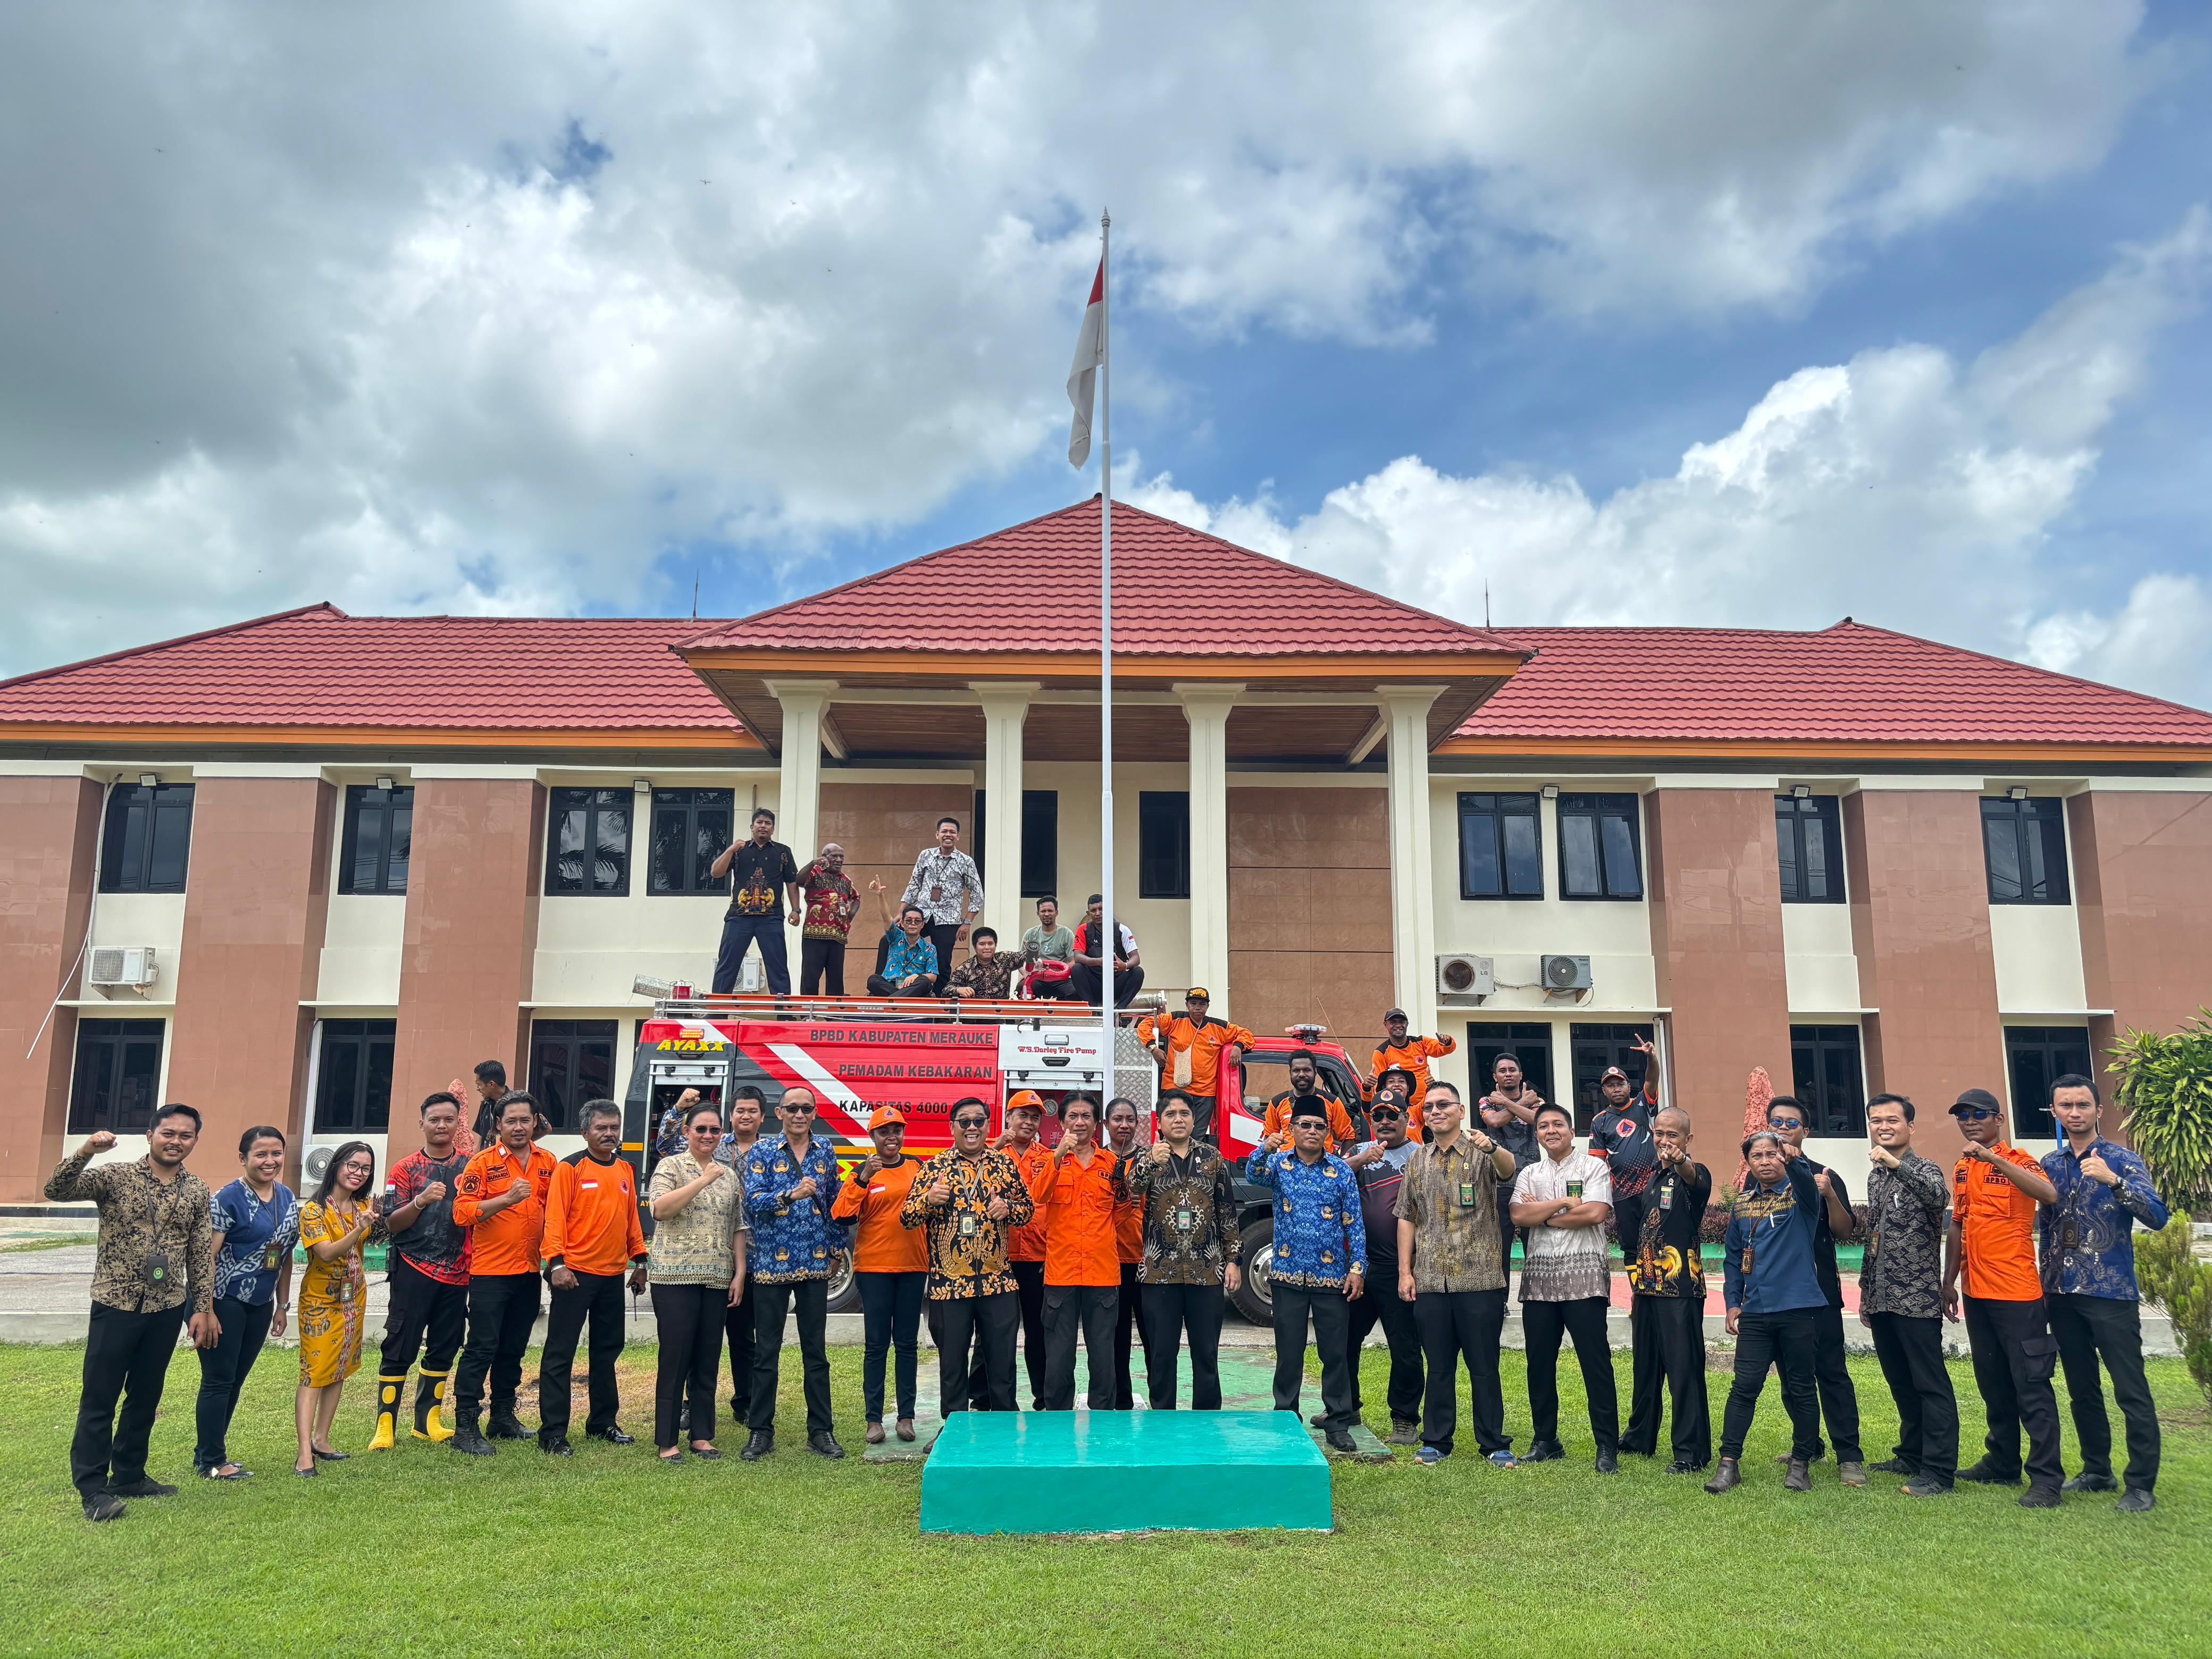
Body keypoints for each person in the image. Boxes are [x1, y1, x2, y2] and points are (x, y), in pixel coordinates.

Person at [48, 1108, 218, 1522]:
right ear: (150, 1135)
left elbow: (200, 1252)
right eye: (168, 1133)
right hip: (116, 1302)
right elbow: (57, 1189)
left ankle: (129, 1474)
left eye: (186, 1135)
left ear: (195, 1140)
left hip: (165, 1307)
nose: (176, 1141)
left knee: (145, 1396)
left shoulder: (196, 1189)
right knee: (100, 1398)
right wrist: (86, 1149)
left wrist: (203, 1308)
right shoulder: (115, 1176)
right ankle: (92, 1488)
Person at [2041, 1073, 2167, 1512]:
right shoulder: (2050, 1163)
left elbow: (2158, 1216)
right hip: (2063, 1293)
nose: (2074, 1113)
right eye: (2065, 1106)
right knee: (2082, 1387)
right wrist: (2043, 1287)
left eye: (2082, 1105)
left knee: (2130, 1388)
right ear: (2054, 1111)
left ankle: (2140, 1484)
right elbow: (2048, 1231)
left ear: (2098, 1110)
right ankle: (2097, 1469)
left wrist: (2115, 1182)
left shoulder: (2123, 1159)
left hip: (2110, 1293)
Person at [1944, 1086, 2064, 1508]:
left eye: (1979, 1114)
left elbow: (2048, 1195)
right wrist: (1948, 1282)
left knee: (2032, 1386)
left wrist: (1993, 1158)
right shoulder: (1961, 1168)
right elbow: (1957, 1225)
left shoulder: (2018, 1161)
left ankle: (2047, 1479)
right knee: (1993, 1384)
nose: (1970, 1121)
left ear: (1999, 1120)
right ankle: (2002, 1461)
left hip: (2017, 1294)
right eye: (1963, 1115)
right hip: (1976, 1292)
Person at [1394, 1081, 1517, 1467]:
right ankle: (1436, 1442)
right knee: (1440, 1366)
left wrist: (1493, 1147)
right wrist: (1405, 1272)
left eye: (1443, 1104)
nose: (1435, 1111)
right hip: (1431, 1279)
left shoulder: (1481, 1150)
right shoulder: (1417, 1159)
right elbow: (1407, 1218)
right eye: (1429, 1107)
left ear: (1461, 1111)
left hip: (1479, 1278)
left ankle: (1493, 1442)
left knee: (1484, 1366)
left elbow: (1509, 1170)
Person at [1706, 1129, 1826, 1494]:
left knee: (1802, 1387)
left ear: (1782, 1156)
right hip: (1756, 1312)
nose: (1764, 1161)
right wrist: (1732, 1303)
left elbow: (1806, 1180)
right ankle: (1729, 1463)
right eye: (1756, 1156)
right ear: (1749, 1162)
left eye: (1771, 1154)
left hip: (1799, 1307)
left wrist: (1795, 1159)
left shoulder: (1801, 1196)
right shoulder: (1741, 1204)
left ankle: (1802, 1462)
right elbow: (1732, 1258)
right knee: (1744, 1387)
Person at [900, 1097, 1035, 1413]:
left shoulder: (1003, 1164)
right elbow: (907, 1218)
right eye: (964, 1122)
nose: (972, 1127)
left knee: (1002, 1364)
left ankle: (1003, 1429)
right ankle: (953, 1429)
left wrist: (1008, 1208)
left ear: (989, 1125)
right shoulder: (934, 1167)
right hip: (949, 1285)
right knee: (952, 1365)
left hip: (997, 1283)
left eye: (979, 1121)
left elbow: (1027, 1210)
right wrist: (929, 1201)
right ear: (952, 1127)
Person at [1249, 1096, 1367, 1452]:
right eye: (1305, 1125)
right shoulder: (1279, 1165)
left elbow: (1354, 1223)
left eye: (1319, 1126)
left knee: (1335, 1353)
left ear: (1328, 1132)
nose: (1312, 1132)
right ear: (1292, 1129)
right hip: (1287, 1276)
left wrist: (1358, 1268)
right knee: (1289, 1353)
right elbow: (1254, 1174)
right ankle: (1286, 1416)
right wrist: (1262, 1147)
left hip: (1332, 1278)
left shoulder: (1341, 1170)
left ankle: (1338, 1421)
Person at [1760, 1094, 1865, 1484]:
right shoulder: (1761, 1175)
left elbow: (1844, 1230)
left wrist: (1829, 1194)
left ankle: (1849, 1455)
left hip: (1818, 1291)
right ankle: (1809, 1444)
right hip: (1776, 1295)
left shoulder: (1824, 1173)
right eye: (1777, 1122)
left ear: (1806, 1130)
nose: (1783, 1128)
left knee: (1831, 1373)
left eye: (1791, 1123)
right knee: (1791, 1376)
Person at [1510, 1101, 1619, 1471]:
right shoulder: (1529, 1173)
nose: (1551, 1131)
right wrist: (1559, 1206)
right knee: (1539, 1363)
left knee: (1596, 1363)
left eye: (1558, 1125)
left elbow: (1595, 1213)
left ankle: (1607, 1446)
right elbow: (1518, 1215)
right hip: (1539, 1281)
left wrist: (1543, 1215)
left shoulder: (1593, 1166)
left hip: (1584, 1279)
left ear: (1573, 1131)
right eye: (1544, 1126)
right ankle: (1546, 1440)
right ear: (1537, 1134)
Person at [739, 1085, 847, 1459]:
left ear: (814, 1114)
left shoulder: (826, 1150)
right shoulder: (763, 1152)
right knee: (766, 1352)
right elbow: (752, 1203)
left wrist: (836, 1248)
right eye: (792, 1109)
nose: (800, 1114)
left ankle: (821, 1431)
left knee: (816, 1352)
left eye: (806, 1108)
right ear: (780, 1114)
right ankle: (760, 1431)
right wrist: (789, 1195)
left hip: (816, 1264)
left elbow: (835, 1201)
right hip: (771, 1264)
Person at [1859, 1092, 1958, 1497]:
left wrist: (1897, 1165)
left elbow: (1940, 1198)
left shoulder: (1923, 1168)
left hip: (1916, 1298)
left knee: (1930, 1384)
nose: (1883, 1127)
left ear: (1910, 1127)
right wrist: (1866, 1293)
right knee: (1900, 1381)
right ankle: (1911, 1453)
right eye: (1876, 1120)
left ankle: (1938, 1471)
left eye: (1892, 1120)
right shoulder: (1875, 1174)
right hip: (1882, 1298)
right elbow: (1873, 1237)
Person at [448, 1092, 557, 1456]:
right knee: (481, 1348)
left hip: (529, 1271)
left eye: (525, 1120)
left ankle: (503, 1417)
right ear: (497, 1124)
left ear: (536, 1122)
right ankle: (465, 1427)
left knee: (513, 1349)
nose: (518, 1127)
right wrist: (506, 1200)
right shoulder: (481, 1164)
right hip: (491, 1273)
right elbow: (461, 1213)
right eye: (510, 1121)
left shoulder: (548, 1162)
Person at [538, 1101, 647, 1455]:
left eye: (614, 1127)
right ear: (585, 1131)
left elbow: (632, 1220)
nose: (609, 1134)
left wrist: (640, 1261)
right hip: (574, 1276)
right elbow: (554, 1219)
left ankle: (602, 1423)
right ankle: (553, 1432)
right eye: (601, 1128)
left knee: (607, 1353)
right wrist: (556, 1265)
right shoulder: (570, 1168)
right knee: (560, 1355)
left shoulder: (626, 1170)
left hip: (613, 1275)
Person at [647, 1099, 748, 1462]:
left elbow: (737, 1226)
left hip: (717, 1277)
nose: (708, 1135)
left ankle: (702, 1435)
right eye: (700, 1129)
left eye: (714, 1130)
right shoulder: (671, 1166)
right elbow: (660, 1210)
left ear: (722, 1134)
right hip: (674, 1277)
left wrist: (739, 1273)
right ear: (687, 1132)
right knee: (675, 1358)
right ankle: (667, 1441)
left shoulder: (730, 1175)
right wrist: (702, 1180)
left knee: (708, 1358)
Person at [1126, 1092, 1241, 1409]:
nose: (1178, 1119)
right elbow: (1130, 1189)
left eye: (1184, 1114)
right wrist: (1151, 1161)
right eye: (1171, 1114)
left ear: (1193, 1119)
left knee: (1206, 1351)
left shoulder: (1212, 1158)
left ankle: (1206, 1418)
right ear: (1159, 1122)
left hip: (1207, 1270)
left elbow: (1226, 1211)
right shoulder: (1146, 1157)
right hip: (1159, 1272)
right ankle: (1163, 1417)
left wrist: (1234, 1260)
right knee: (1162, 1352)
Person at [195, 1125, 297, 1480]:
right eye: (261, 1154)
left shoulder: (286, 1197)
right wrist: (205, 1309)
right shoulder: (226, 1198)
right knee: (218, 1380)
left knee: (236, 1380)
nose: (270, 1161)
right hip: (225, 1300)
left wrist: (283, 1305)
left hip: (260, 1302)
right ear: (243, 1159)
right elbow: (206, 1256)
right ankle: (211, 1460)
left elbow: (284, 1256)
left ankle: (211, 1452)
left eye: (276, 1154)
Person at [372, 1091, 473, 1449]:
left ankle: (427, 1421)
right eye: (435, 1120)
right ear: (423, 1124)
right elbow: (391, 1225)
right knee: (400, 1343)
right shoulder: (405, 1168)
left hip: (460, 1270)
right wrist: (420, 1200)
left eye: (449, 1119)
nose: (442, 1126)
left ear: (458, 1123)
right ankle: (386, 1425)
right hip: (414, 1267)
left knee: (446, 1344)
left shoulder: (471, 1167)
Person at [1621, 1106, 1711, 1474]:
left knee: (1684, 1370)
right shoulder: (1651, 1178)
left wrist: (1683, 1162)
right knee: (1645, 1369)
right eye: (1660, 1134)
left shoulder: (1695, 1173)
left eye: (1673, 1135)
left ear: (1687, 1139)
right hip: (1647, 1288)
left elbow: (1692, 1176)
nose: (1665, 1141)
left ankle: (1690, 1452)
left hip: (1681, 1290)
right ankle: (1639, 1437)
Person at [832, 1106, 930, 1443]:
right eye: (884, 1132)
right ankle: (874, 1419)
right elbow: (842, 1215)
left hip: (913, 1267)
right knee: (876, 1346)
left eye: (897, 1131)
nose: (892, 1137)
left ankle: (906, 1417)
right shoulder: (861, 1171)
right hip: (874, 1269)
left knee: (906, 1345)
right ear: (872, 1137)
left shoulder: (918, 1167)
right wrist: (861, 1180)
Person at [1026, 1095, 1127, 1411]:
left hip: (1102, 1272)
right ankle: (1057, 1418)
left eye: (1086, 1116)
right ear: (1062, 1122)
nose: (1079, 1122)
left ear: (1097, 1125)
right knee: (1058, 1355)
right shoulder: (1049, 1161)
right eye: (1073, 1116)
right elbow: (1037, 1196)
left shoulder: (1111, 1164)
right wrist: (1059, 1154)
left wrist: (1102, 1233)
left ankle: (1103, 1419)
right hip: (1061, 1273)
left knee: (1102, 1353)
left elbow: (1122, 1210)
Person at [292, 1140, 380, 1475]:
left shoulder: (364, 1206)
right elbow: (327, 1253)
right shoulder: (314, 1210)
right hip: (320, 1300)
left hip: (352, 1296)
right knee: (314, 1372)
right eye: (353, 1165)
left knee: (340, 1367)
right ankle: (304, 1452)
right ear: (337, 1165)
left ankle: (322, 1439)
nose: (359, 1173)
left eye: (366, 1168)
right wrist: (360, 1227)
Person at [1344, 1090, 1425, 1445]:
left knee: (1404, 1346)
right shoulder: (1356, 1152)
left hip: (1402, 1268)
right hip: (1360, 1266)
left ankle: (1404, 1419)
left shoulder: (1421, 1155)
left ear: (1407, 1118)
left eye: (1393, 1115)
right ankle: (1345, 1406)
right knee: (1343, 1340)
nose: (1385, 1122)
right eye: (1378, 1116)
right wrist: (1362, 1159)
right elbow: (1330, 1183)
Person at [986, 1091, 1054, 1409]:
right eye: (1022, 1115)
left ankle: (1043, 1395)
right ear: (1008, 1119)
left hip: (1039, 1258)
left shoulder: (1050, 1157)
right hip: (998, 1259)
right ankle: (994, 1399)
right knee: (998, 1332)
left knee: (1039, 1331)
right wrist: (996, 1148)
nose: (1028, 1122)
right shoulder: (991, 1153)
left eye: (1035, 1116)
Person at [711, 1085, 766, 1429]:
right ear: (730, 1115)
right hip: (714, 1254)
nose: (745, 1116)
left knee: (745, 1337)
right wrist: (677, 1110)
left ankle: (745, 1401)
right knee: (703, 1336)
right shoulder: (712, 1145)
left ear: (762, 1116)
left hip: (758, 1258)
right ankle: (692, 1403)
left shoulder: (773, 1151)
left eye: (752, 1111)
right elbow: (665, 1146)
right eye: (739, 1110)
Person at [709, 806, 801, 995]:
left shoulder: (783, 852)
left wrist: (796, 910)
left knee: (777, 967)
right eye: (760, 822)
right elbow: (715, 873)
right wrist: (731, 849)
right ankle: (717, 1011)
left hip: (771, 918)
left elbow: (791, 882)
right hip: (739, 918)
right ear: (752, 827)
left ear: (773, 829)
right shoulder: (738, 851)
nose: (763, 826)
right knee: (727, 964)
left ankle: (784, 1015)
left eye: (768, 824)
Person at [1100, 1097, 1154, 1409]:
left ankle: (1160, 1398)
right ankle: (1120, 1400)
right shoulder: (1097, 1160)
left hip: (1146, 1262)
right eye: (1117, 1119)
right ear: (1106, 1124)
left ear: (1138, 1124)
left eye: (1130, 1119)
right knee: (1116, 1337)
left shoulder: (1150, 1160)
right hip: (1109, 1262)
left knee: (1153, 1338)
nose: (1124, 1125)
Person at [1586, 1044, 1659, 1258]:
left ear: (1629, 1086)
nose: (1616, 1089)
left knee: (1657, 1240)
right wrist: (1598, 1197)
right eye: (1611, 1086)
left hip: (1652, 1188)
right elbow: (1598, 1164)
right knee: (1630, 1246)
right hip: (1623, 1194)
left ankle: (1657, 1290)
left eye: (1620, 1084)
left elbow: (1652, 1079)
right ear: (1604, 1091)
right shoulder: (1599, 1122)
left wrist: (1651, 1058)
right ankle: (1637, 1290)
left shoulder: (1643, 1105)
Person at [902, 815, 984, 994]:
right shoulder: (926, 855)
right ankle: (897, 992)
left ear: (958, 837)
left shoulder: (966, 861)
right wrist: (901, 914)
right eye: (945, 831)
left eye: (952, 832)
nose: (949, 835)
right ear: (937, 834)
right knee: (896, 944)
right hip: (921, 916)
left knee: (942, 962)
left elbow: (977, 893)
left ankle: (941, 1004)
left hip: (949, 921)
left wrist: (967, 922)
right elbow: (914, 884)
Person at [1138, 988, 1253, 1102]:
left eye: (1202, 1004)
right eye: (1193, 1004)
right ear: (1187, 1005)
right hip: (1174, 1089)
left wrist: (1238, 1047)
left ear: (1208, 1006)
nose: (1198, 1007)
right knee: (1176, 1121)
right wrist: (1153, 1048)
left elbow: (1246, 1034)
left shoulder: (1219, 1027)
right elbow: (1145, 1024)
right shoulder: (1175, 1019)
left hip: (1205, 1095)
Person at [1370, 1009, 1456, 1135]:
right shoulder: (1381, 1052)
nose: (1398, 1025)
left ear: (1407, 1024)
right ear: (1386, 1025)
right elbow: (1380, 1086)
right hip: (1401, 1110)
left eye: (1402, 1021)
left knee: (1437, 1145)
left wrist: (1448, 1042)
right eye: (1393, 1022)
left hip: (1426, 1108)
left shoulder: (1420, 1042)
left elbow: (1443, 1049)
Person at [793, 841, 861, 995]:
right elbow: (799, 880)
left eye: (841, 857)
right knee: (810, 978)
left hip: (838, 937)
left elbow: (857, 898)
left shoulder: (846, 880)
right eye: (834, 856)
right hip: (814, 935)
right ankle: (807, 1015)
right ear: (824, 857)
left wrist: (850, 916)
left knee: (836, 980)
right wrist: (812, 863)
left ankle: (833, 1016)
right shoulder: (815, 872)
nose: (839, 860)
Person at [1262, 1048, 1358, 1152]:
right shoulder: (1277, 1103)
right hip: (1287, 1166)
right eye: (1296, 1070)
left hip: (1324, 1166)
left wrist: (1342, 1164)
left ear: (1315, 1072)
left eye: (1307, 1070)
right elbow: (1270, 1140)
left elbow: (1347, 1137)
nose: (1302, 1074)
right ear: (1291, 1073)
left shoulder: (1332, 1102)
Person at [1070, 894, 1144, 1008]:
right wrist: (1100, 962)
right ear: (1088, 913)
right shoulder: (1083, 929)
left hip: (1116, 982)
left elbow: (1136, 958)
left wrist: (1124, 965)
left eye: (1101, 909)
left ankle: (1120, 1009)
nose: (1098, 913)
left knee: (1138, 972)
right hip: (1093, 984)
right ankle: (1093, 1009)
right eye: (1093, 910)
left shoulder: (1122, 930)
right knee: (1077, 969)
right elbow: (1078, 957)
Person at [867, 902, 939, 998]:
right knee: (873, 980)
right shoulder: (895, 937)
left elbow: (933, 976)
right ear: (902, 923)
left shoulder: (930, 948)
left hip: (914, 986)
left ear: (922, 925)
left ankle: (892, 1000)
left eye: (917, 921)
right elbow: (886, 917)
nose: (913, 924)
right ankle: (900, 999)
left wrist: (917, 976)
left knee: (925, 982)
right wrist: (880, 896)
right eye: (909, 921)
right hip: (890, 984)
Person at [1019, 895, 1080, 1000]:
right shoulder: (1031, 934)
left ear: (1056, 913)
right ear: (1038, 914)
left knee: (1075, 992)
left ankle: (1061, 1016)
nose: (1047, 914)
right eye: (1043, 911)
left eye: (1050, 911)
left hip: (1060, 979)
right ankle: (1029, 1017)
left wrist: (1058, 972)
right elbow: (1019, 962)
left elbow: (1073, 961)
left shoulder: (1066, 933)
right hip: (1038, 978)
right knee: (1021, 987)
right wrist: (1026, 975)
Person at [948, 925, 1018, 1000]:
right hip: (975, 1009)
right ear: (975, 947)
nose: (987, 947)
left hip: (1001, 1009)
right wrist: (958, 990)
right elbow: (946, 990)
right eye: (982, 944)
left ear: (996, 945)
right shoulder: (965, 968)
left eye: (991, 944)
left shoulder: (1005, 959)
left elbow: (1026, 956)